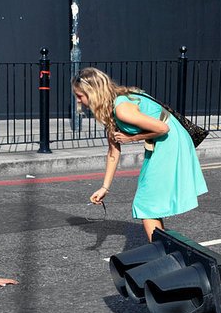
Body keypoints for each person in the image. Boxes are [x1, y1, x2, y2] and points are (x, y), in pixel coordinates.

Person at [72, 67, 207, 241]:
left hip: (170, 141)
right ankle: (164, 247)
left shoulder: (122, 108)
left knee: (146, 203)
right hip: (161, 141)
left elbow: (163, 128)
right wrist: (104, 187)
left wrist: (132, 138)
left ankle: (161, 252)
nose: (79, 100)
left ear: (93, 92)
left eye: (80, 95)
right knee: (149, 200)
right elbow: (113, 152)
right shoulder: (110, 110)